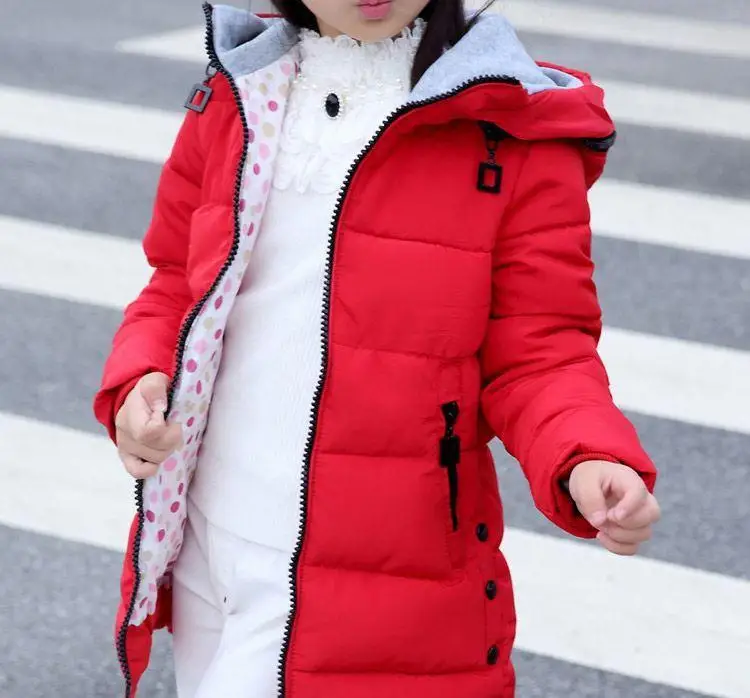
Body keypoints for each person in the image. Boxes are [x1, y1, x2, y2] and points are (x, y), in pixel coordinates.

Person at [94, 0, 661, 696]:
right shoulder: (240, 92)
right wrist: (141, 378)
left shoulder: (510, 128)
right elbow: (177, 283)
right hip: (208, 530)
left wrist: (587, 453)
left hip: (375, 560)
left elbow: (541, 350)